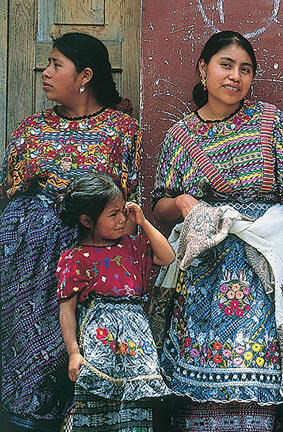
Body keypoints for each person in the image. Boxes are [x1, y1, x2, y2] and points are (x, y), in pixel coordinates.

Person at [152, 30, 283, 432]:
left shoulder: (271, 122)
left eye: (245, 70)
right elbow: (159, 205)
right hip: (204, 267)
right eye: (226, 65)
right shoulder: (180, 137)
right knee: (202, 360)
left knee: (257, 361)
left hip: (261, 265)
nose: (235, 77)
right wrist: (183, 203)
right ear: (203, 68)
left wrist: (259, 229)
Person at [0, 32, 141, 431]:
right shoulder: (31, 129)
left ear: (85, 76)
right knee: (22, 350)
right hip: (22, 264)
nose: (45, 73)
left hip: (83, 259)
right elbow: (6, 189)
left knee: (73, 351)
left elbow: (127, 203)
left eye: (55, 65)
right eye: (47, 64)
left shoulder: (121, 131)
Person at [56, 173, 173, 431]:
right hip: (99, 348)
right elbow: (68, 311)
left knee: (135, 406)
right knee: (97, 403)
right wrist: (74, 353)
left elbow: (167, 257)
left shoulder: (133, 246)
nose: (122, 220)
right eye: (113, 215)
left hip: (136, 348)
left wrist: (142, 221)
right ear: (86, 220)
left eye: (123, 212)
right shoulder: (76, 259)